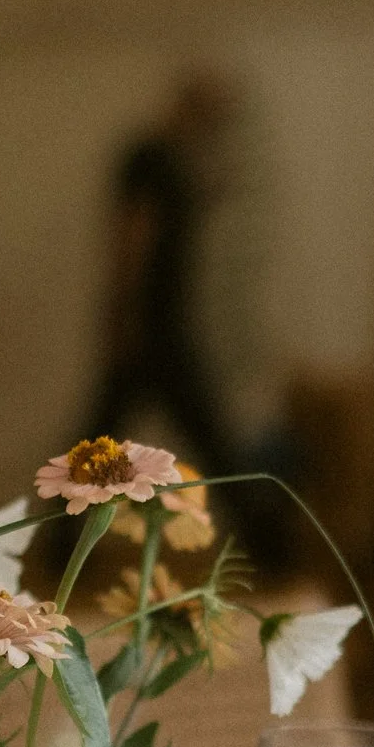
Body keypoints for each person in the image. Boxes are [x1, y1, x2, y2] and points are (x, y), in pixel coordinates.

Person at [86, 70, 236, 480]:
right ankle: (266, 530)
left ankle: (64, 529)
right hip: (154, 326)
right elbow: (133, 238)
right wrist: (125, 312)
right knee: (209, 439)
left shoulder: (173, 161)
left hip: (163, 324)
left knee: (102, 438)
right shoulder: (152, 159)